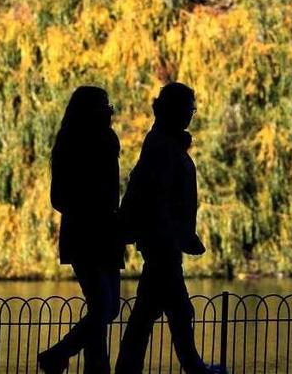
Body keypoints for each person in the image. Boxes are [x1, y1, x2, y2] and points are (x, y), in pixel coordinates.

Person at [114, 82, 217, 374]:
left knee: (148, 314)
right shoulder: (163, 146)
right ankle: (193, 367)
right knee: (177, 311)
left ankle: (131, 369)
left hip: (162, 239)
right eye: (189, 108)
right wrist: (177, 235)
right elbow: (160, 196)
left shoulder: (162, 141)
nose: (191, 114)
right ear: (174, 110)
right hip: (162, 241)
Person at [39, 86, 123, 374]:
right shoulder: (72, 144)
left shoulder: (104, 140)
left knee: (105, 307)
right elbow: (58, 197)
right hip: (88, 233)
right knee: (103, 307)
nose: (109, 109)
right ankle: (60, 354)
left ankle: (92, 366)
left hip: (102, 232)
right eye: (103, 105)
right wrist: (93, 207)